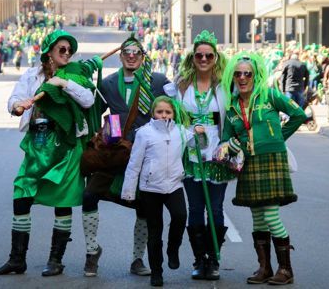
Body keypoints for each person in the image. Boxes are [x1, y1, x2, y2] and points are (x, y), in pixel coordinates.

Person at [0, 30, 103, 277]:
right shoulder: (32, 75)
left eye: (69, 50)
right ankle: (17, 259)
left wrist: (63, 83)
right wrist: (17, 106)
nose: (66, 53)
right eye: (61, 49)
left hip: (67, 145)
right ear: (49, 52)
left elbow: (87, 100)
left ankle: (56, 260)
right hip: (38, 143)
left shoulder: (75, 74)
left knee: (62, 201)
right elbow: (16, 98)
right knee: (21, 194)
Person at [81, 33, 169, 277]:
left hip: (144, 155)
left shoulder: (158, 81)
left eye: (136, 53)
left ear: (143, 57)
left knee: (143, 207)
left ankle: (137, 259)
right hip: (114, 152)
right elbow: (93, 111)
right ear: (120, 56)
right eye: (127, 53)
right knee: (89, 196)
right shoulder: (108, 83)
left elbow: (175, 108)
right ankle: (91, 252)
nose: (131, 56)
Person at [220, 52, 306, 285]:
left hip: (271, 160)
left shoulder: (269, 95)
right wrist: (230, 145)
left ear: (255, 75)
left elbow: (298, 115)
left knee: (270, 214)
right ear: (232, 77)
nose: (242, 77)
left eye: (247, 73)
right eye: (237, 74)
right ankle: (265, 268)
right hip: (249, 164)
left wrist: (278, 138)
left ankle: (286, 270)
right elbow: (226, 139)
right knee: (257, 217)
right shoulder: (232, 107)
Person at [164, 30, 233, 281]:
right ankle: (198, 259)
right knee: (195, 209)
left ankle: (213, 259)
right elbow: (170, 116)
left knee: (215, 209)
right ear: (192, 57)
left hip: (217, 153)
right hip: (190, 152)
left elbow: (233, 116)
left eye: (208, 55)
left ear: (216, 58)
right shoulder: (180, 85)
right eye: (199, 55)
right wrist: (188, 131)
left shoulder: (226, 85)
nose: (203, 59)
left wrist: (227, 143)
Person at [121, 96, 204, 287]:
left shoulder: (181, 132)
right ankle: (156, 272)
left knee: (180, 216)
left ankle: (173, 249)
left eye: (168, 112)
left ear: (173, 114)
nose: (163, 115)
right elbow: (134, 163)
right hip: (150, 187)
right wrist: (129, 191)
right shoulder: (144, 133)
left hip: (173, 185)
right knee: (154, 232)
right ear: (153, 113)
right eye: (159, 112)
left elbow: (198, 144)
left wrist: (199, 133)